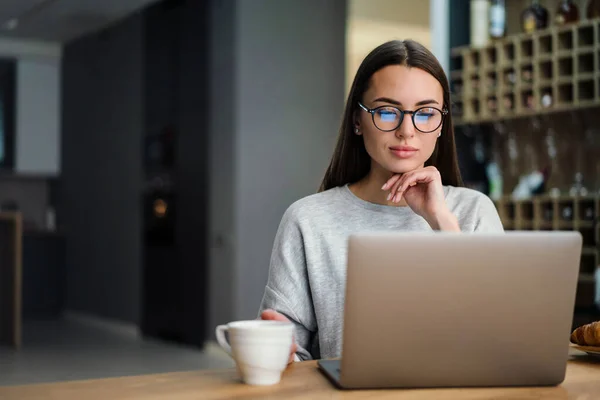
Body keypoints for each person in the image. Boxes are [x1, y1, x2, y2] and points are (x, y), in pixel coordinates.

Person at [258, 39, 504, 363]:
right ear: (358, 120)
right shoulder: (308, 220)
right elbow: (290, 356)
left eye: (426, 113)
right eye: (387, 111)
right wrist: (276, 354)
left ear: (442, 124)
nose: (406, 130)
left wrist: (442, 223)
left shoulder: (474, 212)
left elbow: (498, 337)